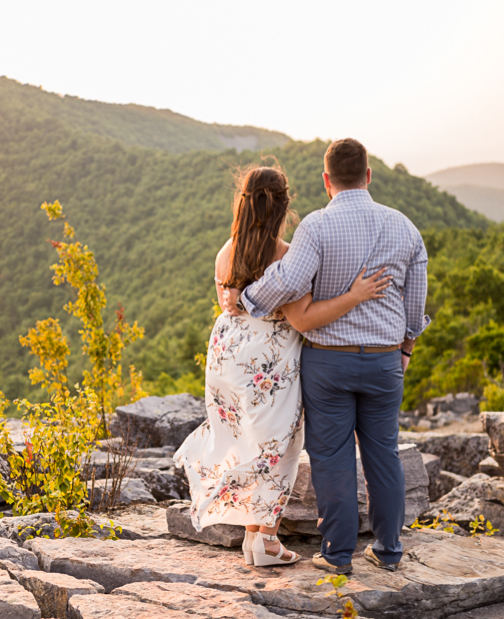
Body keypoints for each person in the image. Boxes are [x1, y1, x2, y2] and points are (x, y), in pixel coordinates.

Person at [221, 139, 430, 575]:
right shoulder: (405, 227)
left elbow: (287, 282)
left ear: (326, 180)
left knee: (331, 456)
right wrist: (406, 348)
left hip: (328, 362)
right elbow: (416, 301)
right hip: (385, 361)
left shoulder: (315, 227)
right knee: (384, 453)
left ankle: (337, 556)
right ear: (369, 176)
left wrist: (243, 297)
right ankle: (389, 550)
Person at [173, 162, 391, 567]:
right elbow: (301, 318)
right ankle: (267, 540)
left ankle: (253, 540)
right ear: (284, 207)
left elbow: (229, 305)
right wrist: (355, 297)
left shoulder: (227, 249)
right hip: (268, 361)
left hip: (227, 352)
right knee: (279, 447)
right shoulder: (284, 257)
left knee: (247, 442)